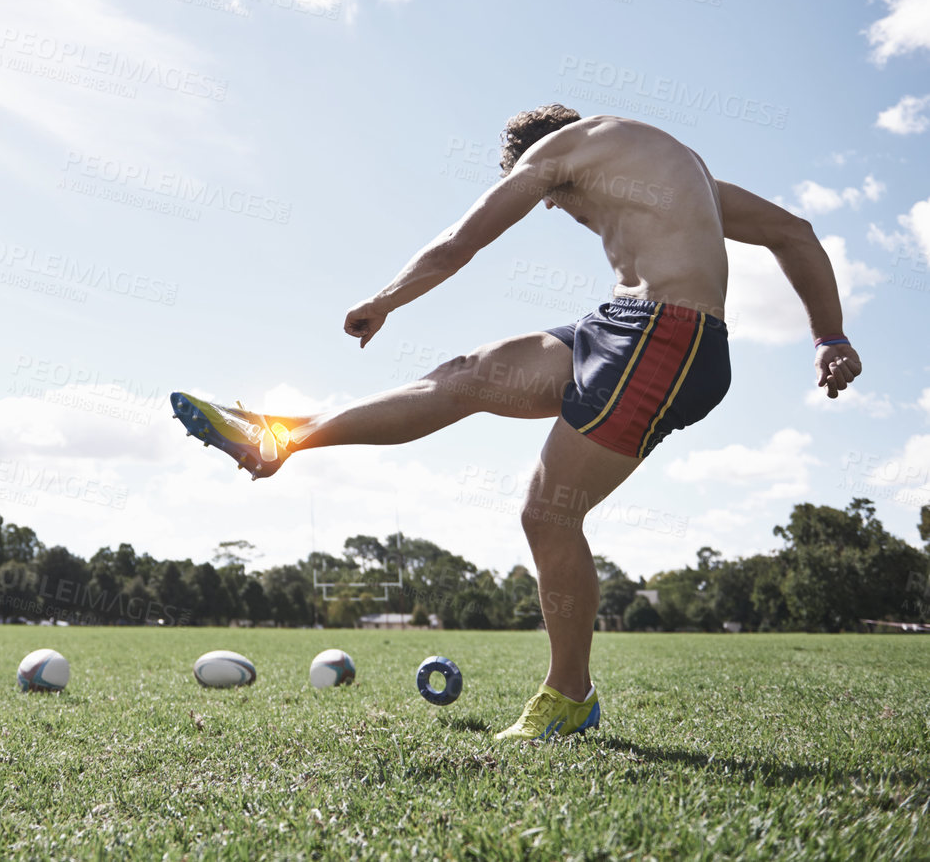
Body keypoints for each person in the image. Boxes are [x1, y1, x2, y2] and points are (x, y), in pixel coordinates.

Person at [170, 106, 863, 742]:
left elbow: (458, 242)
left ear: (541, 164)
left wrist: (382, 300)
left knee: (547, 514)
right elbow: (790, 231)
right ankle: (285, 433)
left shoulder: (561, 150)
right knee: (468, 372)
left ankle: (570, 695)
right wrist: (827, 336)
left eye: (550, 200)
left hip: (667, 337)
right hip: (620, 323)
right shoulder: (672, 168)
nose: (555, 209)